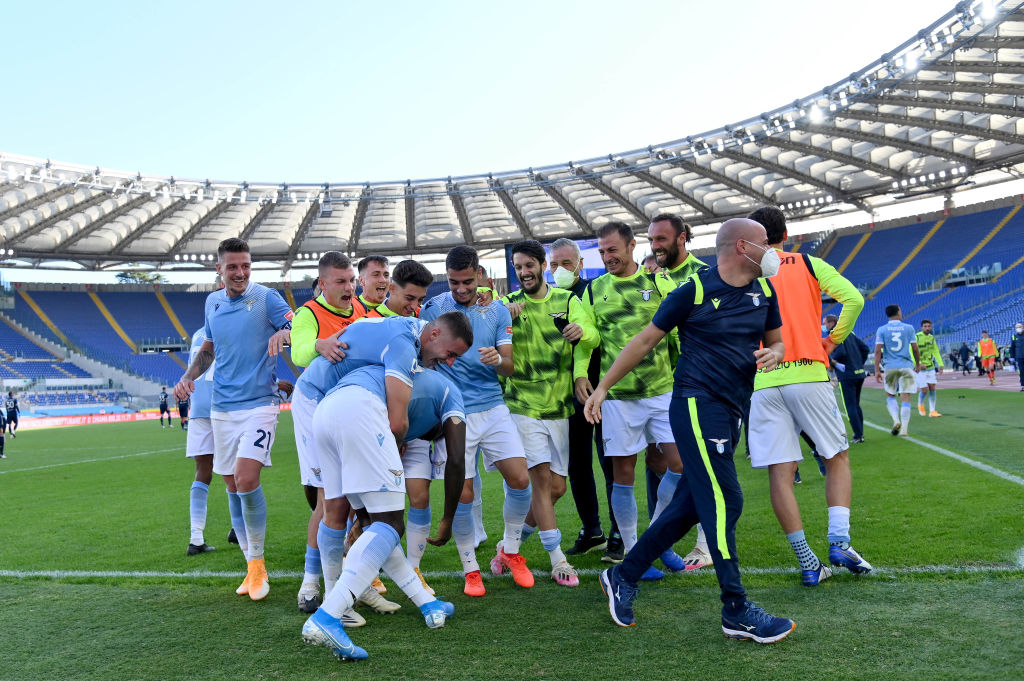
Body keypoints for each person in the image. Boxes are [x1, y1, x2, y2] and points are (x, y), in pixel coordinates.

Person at [588, 217, 795, 644]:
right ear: (743, 247)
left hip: (732, 409)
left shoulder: (765, 291)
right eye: (765, 244)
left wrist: (774, 353)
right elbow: (645, 340)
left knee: (691, 505)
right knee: (724, 500)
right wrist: (603, 387)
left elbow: (778, 341)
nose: (773, 251)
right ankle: (735, 608)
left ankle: (622, 575)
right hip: (696, 406)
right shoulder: (695, 290)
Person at [293, 311, 471, 616]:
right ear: (434, 335)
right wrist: (393, 448)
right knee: (379, 521)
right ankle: (326, 601)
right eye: (450, 354)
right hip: (323, 400)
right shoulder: (404, 345)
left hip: (328, 404)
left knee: (350, 512)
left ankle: (351, 596)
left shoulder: (409, 334)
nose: (450, 363)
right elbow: (399, 423)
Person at [301, 365, 468, 661]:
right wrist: (448, 519)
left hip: (326, 412)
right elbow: (456, 461)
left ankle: (428, 604)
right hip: (359, 410)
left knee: (375, 527)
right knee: (391, 525)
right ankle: (327, 617)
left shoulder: (415, 383)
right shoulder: (451, 395)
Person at [745, 206, 871, 587]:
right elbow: (854, 300)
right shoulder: (807, 263)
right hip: (809, 373)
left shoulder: (744, 272)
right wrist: (831, 341)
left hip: (764, 381)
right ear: (786, 234)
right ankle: (839, 542)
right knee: (836, 458)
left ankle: (807, 562)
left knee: (780, 473)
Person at [173, 237, 293, 602]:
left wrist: (286, 333)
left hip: (260, 403)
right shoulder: (211, 302)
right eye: (233, 267)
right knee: (232, 485)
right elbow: (209, 348)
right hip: (222, 409)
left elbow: (300, 325)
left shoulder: (267, 298)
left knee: (246, 477)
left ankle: (257, 565)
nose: (240, 273)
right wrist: (188, 376)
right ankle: (251, 564)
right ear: (219, 269)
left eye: (246, 265)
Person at [420, 245, 535, 597]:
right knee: (463, 493)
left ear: (480, 274)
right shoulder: (434, 309)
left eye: (468, 281)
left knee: (520, 480)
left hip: (492, 406)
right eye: (454, 282)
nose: (461, 289)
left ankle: (511, 551)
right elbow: (422, 357)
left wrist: (497, 358)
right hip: (454, 414)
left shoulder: (497, 309)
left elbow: (511, 366)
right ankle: (471, 569)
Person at [573, 221, 685, 580]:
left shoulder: (658, 282)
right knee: (623, 474)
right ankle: (636, 553)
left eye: (612, 250)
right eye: (602, 252)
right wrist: (580, 373)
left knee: (680, 465)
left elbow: (679, 333)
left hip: (662, 391)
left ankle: (656, 538)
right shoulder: (591, 292)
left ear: (632, 246)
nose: (607, 257)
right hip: (618, 398)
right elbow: (587, 338)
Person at [501, 239, 598, 587]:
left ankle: (509, 547)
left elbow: (593, 338)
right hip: (522, 407)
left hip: (559, 409)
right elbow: (481, 323)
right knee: (541, 481)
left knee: (557, 488)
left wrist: (582, 333)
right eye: (518, 268)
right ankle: (559, 561)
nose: (524, 272)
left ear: (544, 265)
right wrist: (500, 317)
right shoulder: (508, 304)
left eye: (529, 265)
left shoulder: (567, 300)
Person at [288, 251, 377, 614]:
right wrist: (318, 346)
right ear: (322, 284)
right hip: (313, 409)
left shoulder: (361, 311)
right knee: (329, 497)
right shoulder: (308, 313)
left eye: (351, 280)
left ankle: (354, 578)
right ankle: (311, 581)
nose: (348, 287)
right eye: (340, 282)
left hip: (347, 409)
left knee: (359, 496)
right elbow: (298, 353)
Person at [547, 238, 620, 560]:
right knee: (577, 464)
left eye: (566, 263)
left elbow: (601, 338)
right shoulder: (546, 299)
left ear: (580, 264)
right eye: (554, 264)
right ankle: (592, 530)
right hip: (567, 394)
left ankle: (619, 534)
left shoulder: (594, 292)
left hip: (601, 390)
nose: (560, 270)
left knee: (610, 462)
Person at [648, 213, 711, 570]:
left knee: (699, 467)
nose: (655, 246)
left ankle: (703, 546)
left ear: (682, 238)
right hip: (662, 390)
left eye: (661, 239)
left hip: (702, 387)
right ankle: (656, 538)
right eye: (652, 240)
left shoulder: (705, 275)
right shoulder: (650, 281)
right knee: (671, 466)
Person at [185, 306, 218, 556]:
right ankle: (239, 532)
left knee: (202, 473)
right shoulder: (227, 329)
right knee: (238, 471)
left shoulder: (197, 335)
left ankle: (196, 538)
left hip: (198, 407)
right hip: (224, 406)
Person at [874, 305, 923, 437]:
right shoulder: (909, 328)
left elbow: (878, 351)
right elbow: (915, 348)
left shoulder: (882, 330)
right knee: (905, 396)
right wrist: (917, 364)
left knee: (890, 395)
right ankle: (905, 429)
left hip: (890, 366)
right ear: (898, 312)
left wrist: (877, 370)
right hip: (906, 366)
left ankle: (896, 420)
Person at [826, 314, 868, 444]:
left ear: (832, 323)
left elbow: (841, 352)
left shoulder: (834, 334)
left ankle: (858, 435)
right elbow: (865, 349)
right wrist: (859, 363)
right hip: (859, 373)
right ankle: (860, 433)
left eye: (826, 323)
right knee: (856, 404)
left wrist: (832, 362)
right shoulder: (850, 332)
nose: (825, 326)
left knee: (850, 405)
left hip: (847, 374)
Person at [368, 258, 433, 318]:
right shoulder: (367, 324)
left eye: (420, 300)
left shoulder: (428, 314)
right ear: (392, 289)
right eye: (409, 298)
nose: (414, 307)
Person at [915, 320, 944, 417]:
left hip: (930, 367)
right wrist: (917, 364)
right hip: (920, 369)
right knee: (924, 390)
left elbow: (935, 351)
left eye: (929, 326)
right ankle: (920, 404)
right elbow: (911, 351)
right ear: (921, 327)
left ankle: (932, 411)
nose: (927, 328)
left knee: (932, 388)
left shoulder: (932, 338)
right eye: (925, 326)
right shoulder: (917, 337)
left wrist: (940, 364)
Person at [1011, 323, 1024, 391]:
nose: (1018, 328)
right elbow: (1012, 348)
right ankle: (1023, 386)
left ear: (1023, 327)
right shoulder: (1014, 336)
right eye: (1017, 327)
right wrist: (1012, 357)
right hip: (1019, 357)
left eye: (1019, 327)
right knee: (1021, 372)